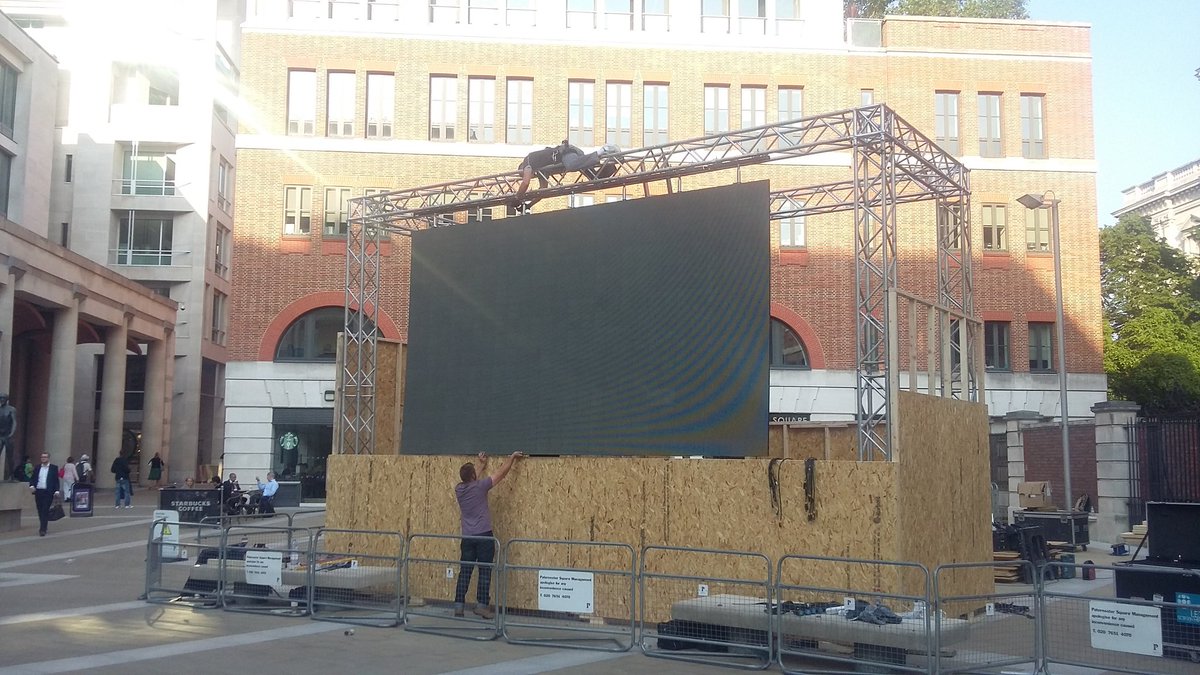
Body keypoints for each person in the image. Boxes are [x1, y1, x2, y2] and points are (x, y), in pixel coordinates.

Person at [453, 451, 525, 619]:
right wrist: (512, 458)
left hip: (468, 538)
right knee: (485, 570)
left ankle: (458, 606)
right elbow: (501, 473)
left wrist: (480, 465)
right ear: (473, 476)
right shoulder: (481, 486)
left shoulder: (459, 489)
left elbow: (471, 479)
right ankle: (482, 606)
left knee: (465, 571)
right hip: (484, 536)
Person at [510, 141, 619, 214]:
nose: (531, 175)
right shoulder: (541, 171)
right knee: (596, 180)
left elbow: (525, 183)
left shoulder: (527, 162)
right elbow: (543, 190)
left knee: (571, 165)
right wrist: (529, 205)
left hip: (566, 153)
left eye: (525, 173)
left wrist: (517, 197)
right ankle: (612, 163)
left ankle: (603, 151)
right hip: (570, 156)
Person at [27, 452, 60, 536]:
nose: (43, 458)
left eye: (45, 457)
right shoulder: (37, 467)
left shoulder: (53, 468)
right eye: (42, 457)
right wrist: (31, 486)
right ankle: (43, 524)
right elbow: (33, 478)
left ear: (48, 458)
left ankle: (43, 529)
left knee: (45, 509)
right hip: (38, 491)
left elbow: (56, 480)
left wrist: (57, 491)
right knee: (40, 509)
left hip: (48, 492)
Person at [0, 394, 15, 480]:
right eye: (0, 398)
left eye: (3, 398)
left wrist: (12, 433)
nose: (1, 400)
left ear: (6, 399)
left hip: (8, 435)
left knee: (10, 456)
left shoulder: (11, 409)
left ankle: (11, 475)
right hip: (0, 436)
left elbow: (14, 422)